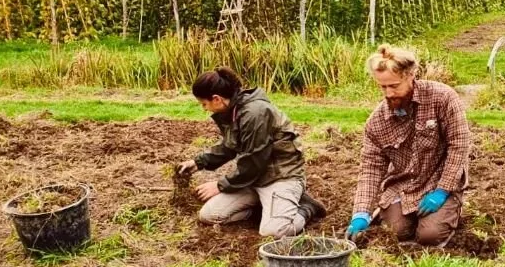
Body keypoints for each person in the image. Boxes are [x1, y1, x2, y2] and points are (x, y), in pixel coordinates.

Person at [177, 67, 326, 237]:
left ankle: (307, 208)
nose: (204, 109)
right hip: (254, 179)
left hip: (281, 176)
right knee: (210, 215)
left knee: (274, 231)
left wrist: (219, 185)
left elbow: (254, 161)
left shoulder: (255, 113)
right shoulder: (234, 111)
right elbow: (229, 145)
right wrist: (198, 162)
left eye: (204, 104)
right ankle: (267, 209)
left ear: (217, 99)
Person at [347, 45, 471, 247]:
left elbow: (459, 145)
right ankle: (390, 213)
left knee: (429, 236)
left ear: (411, 75)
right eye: (383, 87)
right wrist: (360, 213)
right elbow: (370, 169)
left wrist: (443, 190)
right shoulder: (377, 123)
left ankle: (450, 209)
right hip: (402, 187)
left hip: (439, 182)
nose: (388, 93)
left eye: (394, 86)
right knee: (395, 232)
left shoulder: (442, 98)